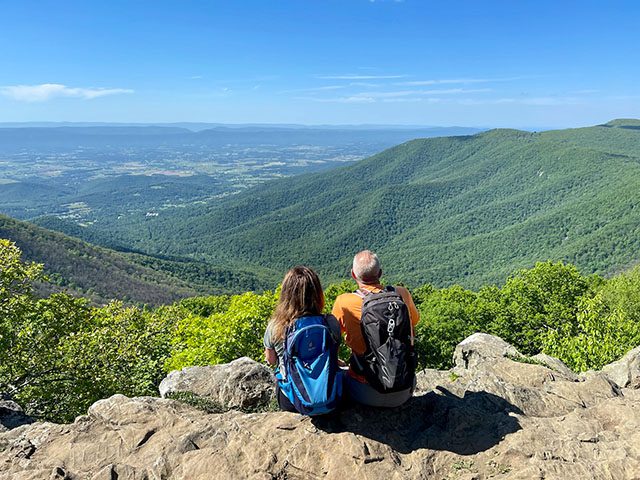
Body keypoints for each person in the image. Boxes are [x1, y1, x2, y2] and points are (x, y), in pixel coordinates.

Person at [332, 250, 420, 407]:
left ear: (353, 275)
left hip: (364, 392)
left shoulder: (343, 302)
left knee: (339, 374)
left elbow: (332, 337)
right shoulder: (401, 294)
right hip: (404, 389)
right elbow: (415, 320)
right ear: (380, 273)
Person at [264, 265, 343, 413]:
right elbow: (332, 356)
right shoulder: (330, 322)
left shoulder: (276, 326)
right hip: (331, 396)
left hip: (291, 401)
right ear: (318, 293)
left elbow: (271, 360)